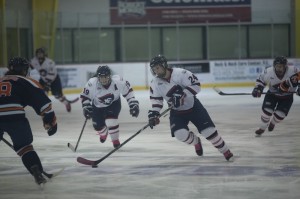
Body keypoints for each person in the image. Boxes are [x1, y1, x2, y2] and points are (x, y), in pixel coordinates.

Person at [147, 54, 234, 161]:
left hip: (194, 107)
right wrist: (154, 114)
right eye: (154, 69)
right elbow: (156, 101)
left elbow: (196, 85)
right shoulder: (155, 83)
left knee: (209, 131)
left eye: (158, 68)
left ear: (164, 65)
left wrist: (183, 94)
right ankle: (196, 142)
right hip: (177, 112)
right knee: (180, 134)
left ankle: (225, 150)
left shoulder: (180, 73)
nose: (156, 71)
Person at [0, 57, 57, 185]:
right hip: (15, 117)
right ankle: (35, 168)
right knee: (24, 147)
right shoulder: (26, 81)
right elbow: (43, 104)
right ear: (25, 70)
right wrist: (50, 121)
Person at [80, 65, 140, 148]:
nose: (104, 80)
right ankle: (103, 133)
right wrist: (86, 107)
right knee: (97, 126)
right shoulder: (92, 83)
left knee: (111, 121)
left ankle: (115, 141)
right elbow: (85, 96)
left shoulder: (118, 81)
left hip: (114, 104)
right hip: (97, 106)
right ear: (98, 77)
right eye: (101, 77)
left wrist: (133, 104)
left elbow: (128, 92)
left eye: (105, 77)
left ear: (110, 76)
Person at [252, 56, 299, 136]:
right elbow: (261, 80)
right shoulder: (268, 72)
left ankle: (273, 123)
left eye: (281, 66)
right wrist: (258, 89)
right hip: (272, 95)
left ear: (285, 66)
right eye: (277, 67)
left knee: (280, 114)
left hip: (287, 97)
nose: (279, 69)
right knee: (267, 111)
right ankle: (262, 128)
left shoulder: (293, 71)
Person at [30, 47, 77, 112]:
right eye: (38, 54)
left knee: (57, 95)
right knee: (42, 94)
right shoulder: (33, 62)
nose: (40, 55)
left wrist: (47, 84)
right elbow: (31, 71)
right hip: (43, 80)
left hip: (54, 80)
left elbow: (53, 73)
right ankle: (45, 108)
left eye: (41, 53)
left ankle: (66, 103)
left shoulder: (50, 62)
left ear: (44, 54)